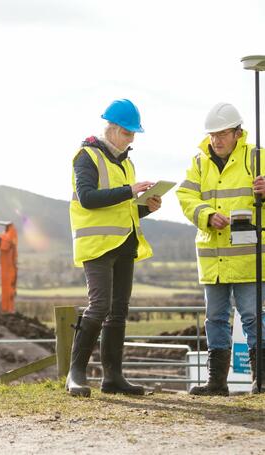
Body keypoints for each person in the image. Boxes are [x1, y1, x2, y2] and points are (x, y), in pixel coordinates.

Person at [67, 98, 161, 397]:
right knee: (100, 306)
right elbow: (88, 198)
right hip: (97, 245)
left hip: (124, 243)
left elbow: (123, 208)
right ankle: (76, 374)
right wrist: (129, 191)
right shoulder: (87, 156)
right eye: (127, 132)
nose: (131, 138)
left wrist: (146, 207)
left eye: (134, 133)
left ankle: (113, 377)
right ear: (112, 128)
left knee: (119, 311)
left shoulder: (126, 162)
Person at [176, 102, 265, 396]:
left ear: (238, 133)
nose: (217, 139)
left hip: (247, 257)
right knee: (215, 318)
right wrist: (205, 214)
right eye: (213, 134)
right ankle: (216, 383)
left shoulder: (256, 157)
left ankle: (261, 381)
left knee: (253, 317)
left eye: (223, 133)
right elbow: (185, 195)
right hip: (212, 258)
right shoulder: (198, 163)